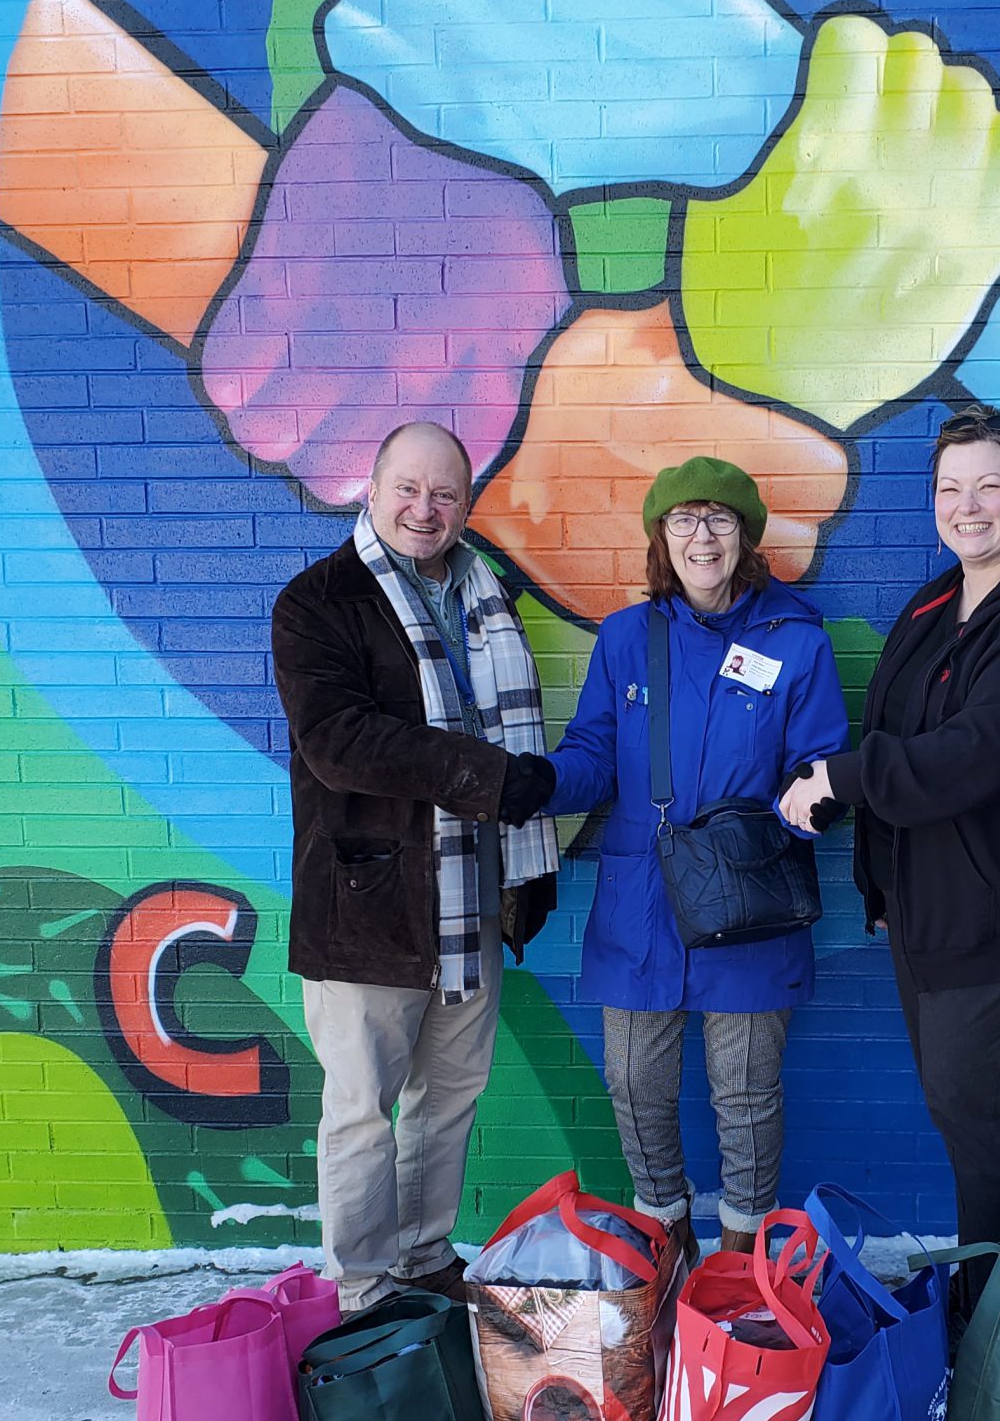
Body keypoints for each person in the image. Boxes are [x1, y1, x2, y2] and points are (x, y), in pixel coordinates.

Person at [781, 407, 1000, 1315]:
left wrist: (839, 780)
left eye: (990, 487)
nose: (968, 508)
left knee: (982, 1120)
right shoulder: (937, 607)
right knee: (967, 1117)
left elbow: (973, 754)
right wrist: (882, 883)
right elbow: (897, 727)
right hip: (932, 914)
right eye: (949, 489)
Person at [270, 421, 559, 1312]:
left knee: (449, 1098)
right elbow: (339, 743)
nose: (424, 509)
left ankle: (425, 1253)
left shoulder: (487, 594)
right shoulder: (316, 602)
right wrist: (491, 777)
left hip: (471, 896)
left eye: (444, 494)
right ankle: (361, 1287)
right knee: (362, 1110)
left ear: (466, 504)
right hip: (368, 905)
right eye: (408, 488)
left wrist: (524, 858)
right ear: (373, 487)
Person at [547, 456, 848, 1254]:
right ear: (661, 536)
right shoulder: (624, 638)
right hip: (642, 901)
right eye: (683, 519)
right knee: (635, 1084)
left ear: (745, 536)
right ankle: (667, 1238)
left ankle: (742, 1259)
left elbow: (821, 760)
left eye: (719, 518)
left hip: (751, 896)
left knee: (745, 1097)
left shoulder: (796, 640)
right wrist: (532, 785)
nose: (702, 535)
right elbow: (592, 753)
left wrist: (814, 801)